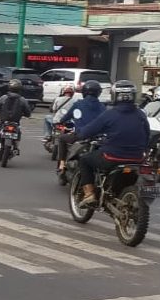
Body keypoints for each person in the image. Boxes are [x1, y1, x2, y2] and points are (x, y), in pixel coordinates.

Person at [63, 79, 150, 207]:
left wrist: (75, 136)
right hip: (137, 159)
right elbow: (147, 135)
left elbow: (88, 131)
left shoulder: (109, 114)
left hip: (113, 157)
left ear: (115, 95)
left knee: (85, 160)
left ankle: (89, 195)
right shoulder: (141, 114)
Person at [57, 80, 107, 172]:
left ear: (84, 92)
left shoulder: (78, 104)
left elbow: (66, 117)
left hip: (81, 135)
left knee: (61, 138)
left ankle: (62, 164)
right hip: (98, 138)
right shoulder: (103, 107)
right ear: (98, 93)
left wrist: (61, 121)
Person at [0, 79, 33, 151]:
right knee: (18, 132)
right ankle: (16, 147)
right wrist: (25, 114)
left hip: (3, 120)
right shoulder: (22, 99)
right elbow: (28, 112)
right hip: (15, 122)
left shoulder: (4, 97)